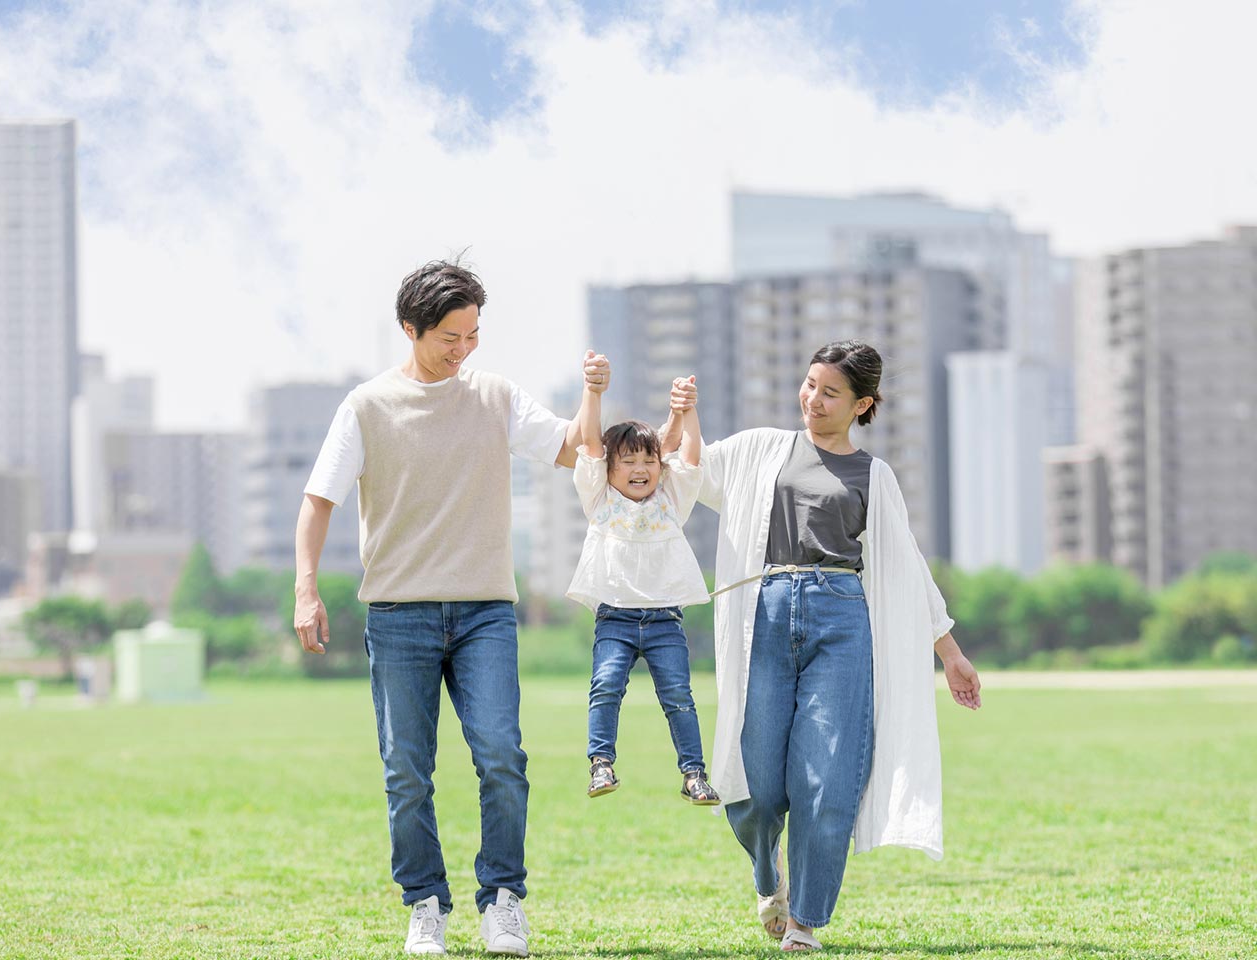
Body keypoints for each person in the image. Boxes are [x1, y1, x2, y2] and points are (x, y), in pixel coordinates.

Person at [294, 259, 609, 957]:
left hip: (484, 613)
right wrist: (306, 587)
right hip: (398, 615)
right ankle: (426, 905)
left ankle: (503, 900)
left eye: (472, 335)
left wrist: (593, 394)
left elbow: (573, 448)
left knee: (501, 752)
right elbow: (318, 502)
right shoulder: (367, 406)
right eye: (448, 337)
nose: (463, 350)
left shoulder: (493, 396)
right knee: (407, 769)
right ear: (410, 329)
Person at [677, 340, 981, 952]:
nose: (813, 399)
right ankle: (768, 876)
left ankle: (805, 923)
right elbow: (692, 472)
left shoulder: (873, 475)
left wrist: (949, 652)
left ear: (862, 404)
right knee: (756, 782)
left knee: (828, 778)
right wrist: (685, 415)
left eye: (830, 392)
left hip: (842, 622)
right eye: (810, 384)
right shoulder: (763, 448)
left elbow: (905, 566)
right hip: (762, 614)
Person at [564, 355, 720, 806]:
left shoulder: (671, 499)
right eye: (627, 459)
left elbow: (687, 455)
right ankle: (601, 764)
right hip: (614, 618)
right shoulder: (600, 499)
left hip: (664, 620)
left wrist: (686, 409)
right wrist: (593, 392)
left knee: (678, 697)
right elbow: (591, 443)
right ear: (609, 469)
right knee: (606, 686)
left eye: (648, 459)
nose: (640, 468)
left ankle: (693, 774)